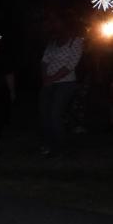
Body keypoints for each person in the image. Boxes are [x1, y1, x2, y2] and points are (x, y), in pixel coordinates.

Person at [39, 13, 85, 155]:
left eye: (58, 23)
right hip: (48, 82)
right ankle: (48, 143)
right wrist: (45, 77)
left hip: (65, 83)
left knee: (55, 113)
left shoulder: (76, 41)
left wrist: (52, 78)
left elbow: (70, 65)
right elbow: (44, 60)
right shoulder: (53, 41)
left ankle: (59, 145)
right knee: (44, 113)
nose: (56, 26)